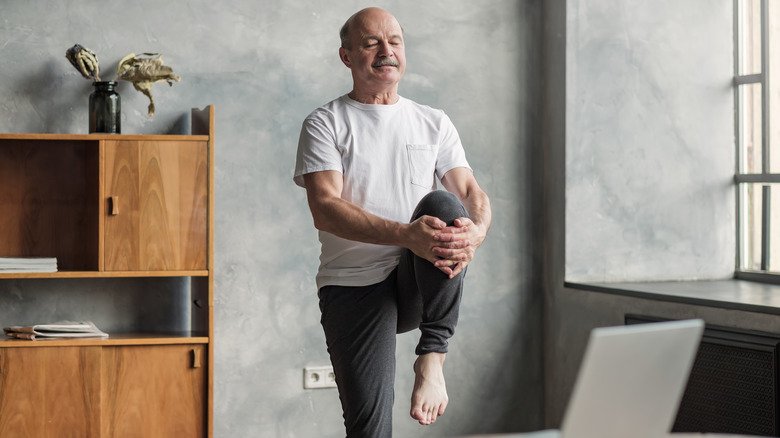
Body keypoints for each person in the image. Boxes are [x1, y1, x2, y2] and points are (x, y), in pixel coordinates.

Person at [293, 7, 491, 437]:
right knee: (368, 429)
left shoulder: (433, 121)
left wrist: (477, 232)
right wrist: (406, 235)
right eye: (371, 43)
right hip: (353, 284)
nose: (387, 51)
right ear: (347, 56)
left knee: (445, 204)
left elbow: (471, 193)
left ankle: (432, 356)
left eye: (395, 41)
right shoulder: (325, 123)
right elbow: (324, 207)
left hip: (417, 280)